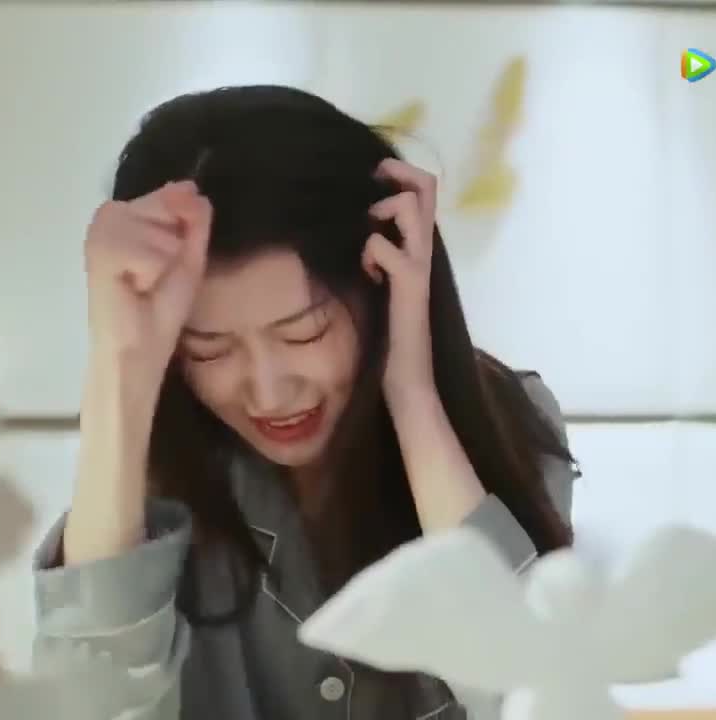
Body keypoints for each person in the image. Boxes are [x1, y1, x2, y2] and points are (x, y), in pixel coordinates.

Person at [32, 85, 579, 720]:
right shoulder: (144, 492)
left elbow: (535, 697)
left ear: (381, 286)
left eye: (305, 333)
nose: (268, 392)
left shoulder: (506, 424)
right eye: (209, 349)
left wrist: (412, 394)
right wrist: (118, 365)